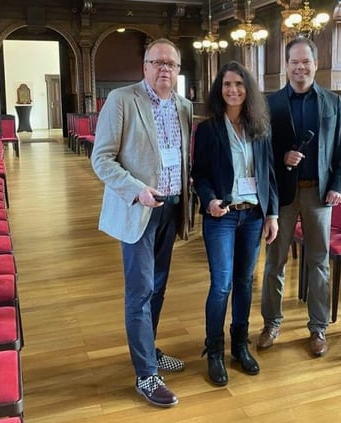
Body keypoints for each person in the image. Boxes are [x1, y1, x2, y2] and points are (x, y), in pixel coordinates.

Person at [91, 38, 193, 408]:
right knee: (140, 291)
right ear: (145, 67)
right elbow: (101, 159)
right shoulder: (122, 100)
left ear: (178, 71)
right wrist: (137, 191)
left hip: (171, 207)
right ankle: (146, 374)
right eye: (157, 62)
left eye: (171, 64)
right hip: (139, 209)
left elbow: (181, 157)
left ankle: (148, 349)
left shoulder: (184, 106)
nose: (165, 69)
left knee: (159, 286)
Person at [259, 37, 341, 357]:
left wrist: (339, 184)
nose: (300, 67)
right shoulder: (270, 104)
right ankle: (271, 323)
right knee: (275, 262)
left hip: (319, 193)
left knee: (319, 262)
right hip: (282, 195)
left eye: (305, 62)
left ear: (316, 64)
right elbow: (260, 151)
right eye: (294, 62)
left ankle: (318, 327)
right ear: (286, 66)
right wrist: (281, 157)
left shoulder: (332, 102)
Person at [192, 61, 278, 386]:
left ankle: (240, 346)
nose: (233, 90)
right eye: (227, 84)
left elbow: (268, 173)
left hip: (253, 215)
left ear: (248, 89)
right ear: (220, 89)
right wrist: (209, 200)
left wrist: (272, 214)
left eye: (239, 84)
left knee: (244, 282)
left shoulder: (260, 126)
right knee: (221, 285)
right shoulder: (209, 129)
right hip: (222, 216)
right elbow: (199, 174)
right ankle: (214, 350)